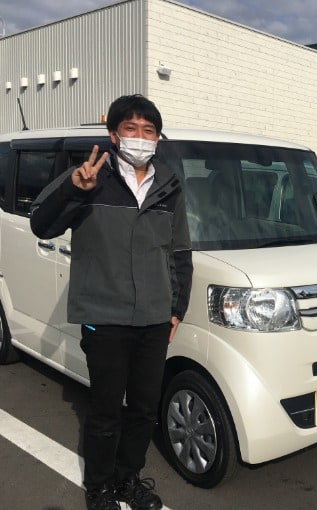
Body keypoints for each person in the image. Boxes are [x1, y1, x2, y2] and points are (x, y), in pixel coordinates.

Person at [30, 95, 193, 510]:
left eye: (149, 131)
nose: (140, 138)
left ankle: (127, 481)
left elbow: (179, 254)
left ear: (158, 137)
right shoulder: (90, 179)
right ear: (113, 134)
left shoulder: (169, 186)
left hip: (155, 318)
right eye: (131, 129)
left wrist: (176, 310)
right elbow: (41, 225)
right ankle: (100, 488)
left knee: (142, 409)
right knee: (105, 411)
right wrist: (73, 188)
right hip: (104, 318)